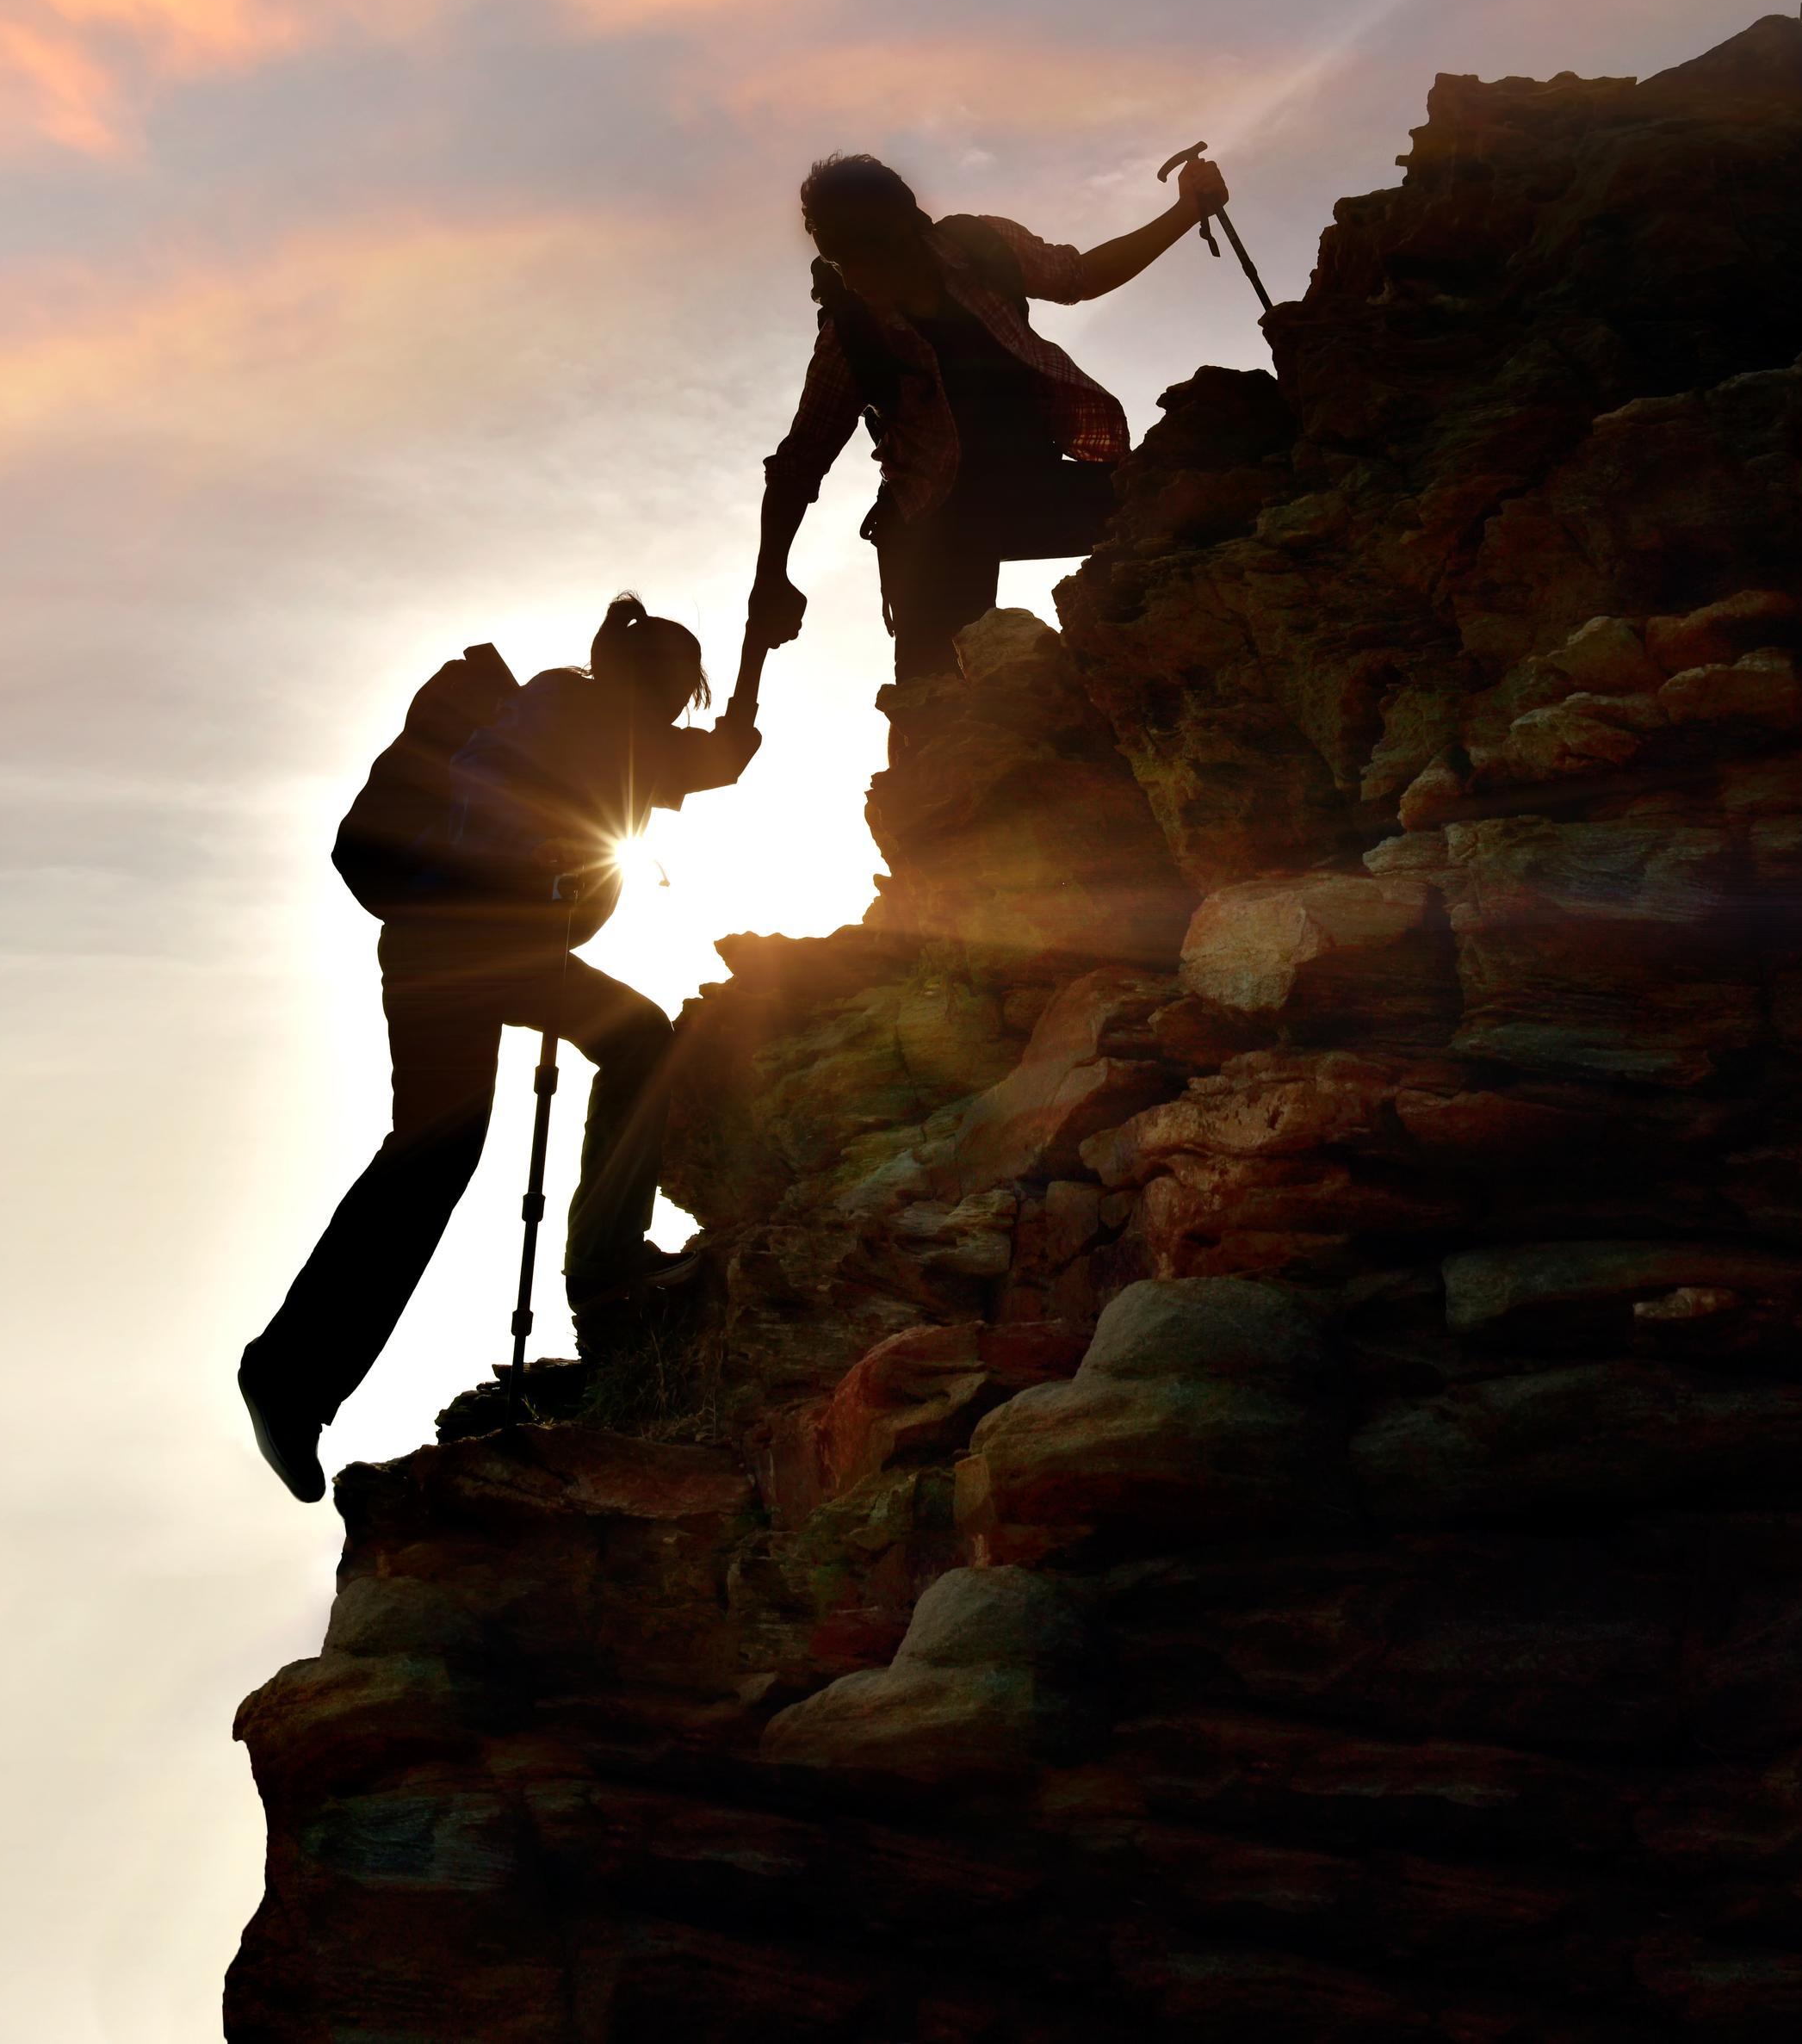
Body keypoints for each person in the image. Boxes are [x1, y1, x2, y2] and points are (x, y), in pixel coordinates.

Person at [238, 596, 759, 1502]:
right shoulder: (580, 710)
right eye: (679, 690)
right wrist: (749, 672)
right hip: (464, 944)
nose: (680, 708)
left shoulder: (592, 716)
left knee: (485, 1121)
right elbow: (699, 760)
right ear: (655, 684)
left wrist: (754, 664)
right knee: (481, 1124)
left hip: (467, 944)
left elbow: (717, 761)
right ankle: (599, 1265)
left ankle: (294, 1373)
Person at [745, 148, 1233, 684]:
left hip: (1031, 485)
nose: (856, 275)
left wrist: (1188, 211)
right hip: (935, 521)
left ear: (906, 226)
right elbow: (801, 460)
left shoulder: (983, 249)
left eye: (864, 251)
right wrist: (771, 576)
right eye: (839, 258)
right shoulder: (852, 335)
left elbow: (1081, 275)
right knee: (933, 702)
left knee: (1181, 510)